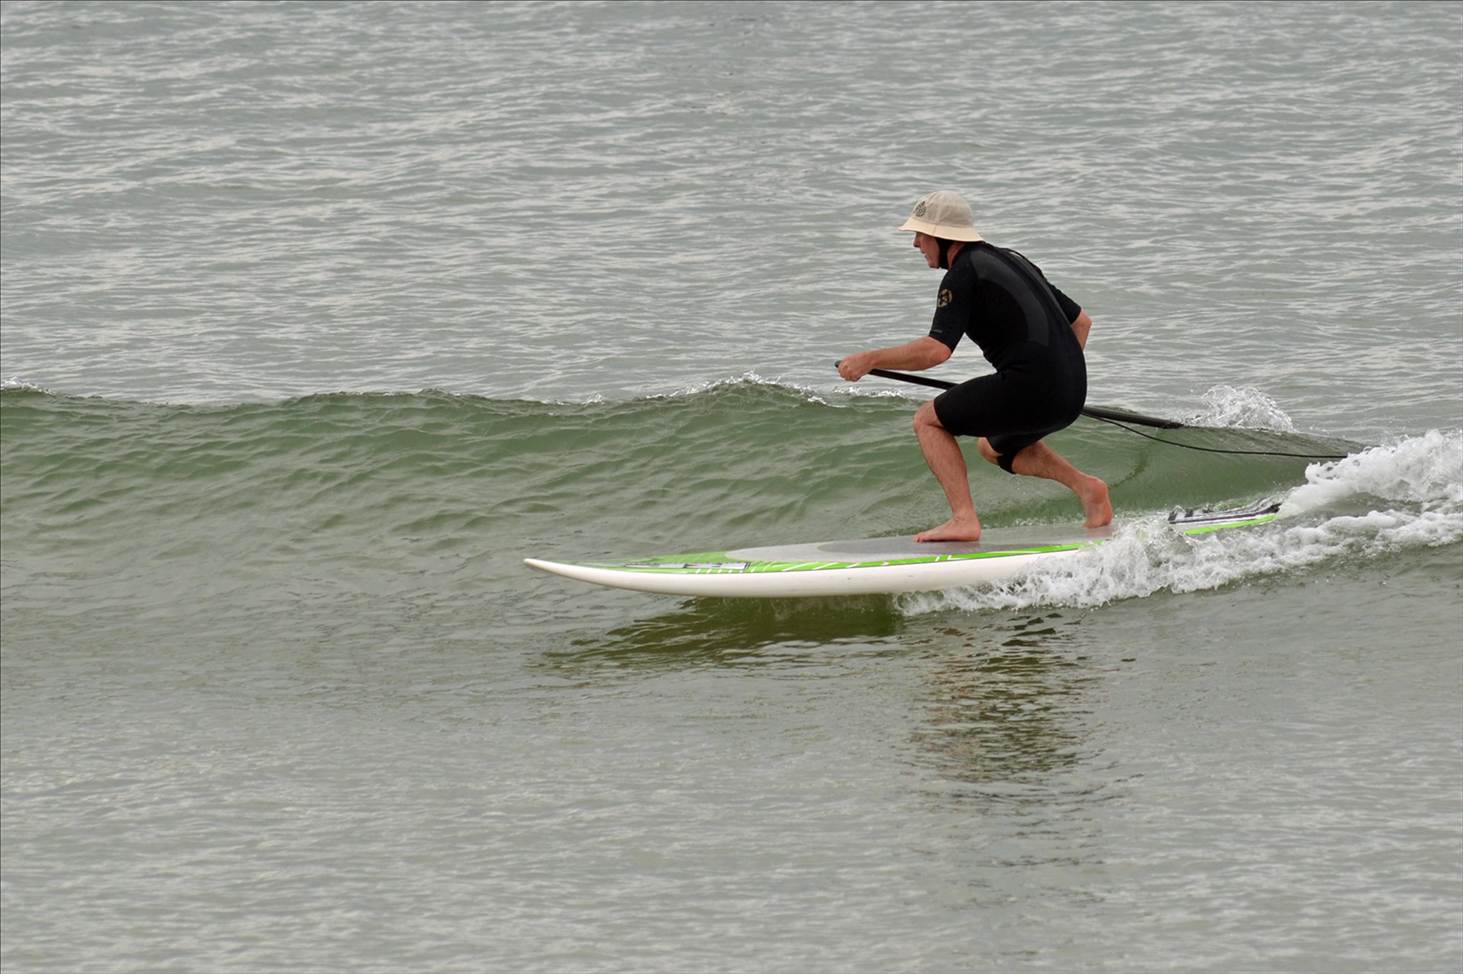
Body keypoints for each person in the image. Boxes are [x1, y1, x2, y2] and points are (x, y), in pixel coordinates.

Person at [837, 190, 1112, 543]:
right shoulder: (1012, 259)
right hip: (1072, 391)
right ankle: (1087, 488)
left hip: (1033, 388)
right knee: (992, 448)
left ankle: (964, 519)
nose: (916, 243)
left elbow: (936, 351)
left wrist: (870, 359)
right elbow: (1082, 322)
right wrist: (1057, 377)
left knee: (927, 420)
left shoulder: (963, 274)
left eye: (921, 234)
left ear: (942, 236)